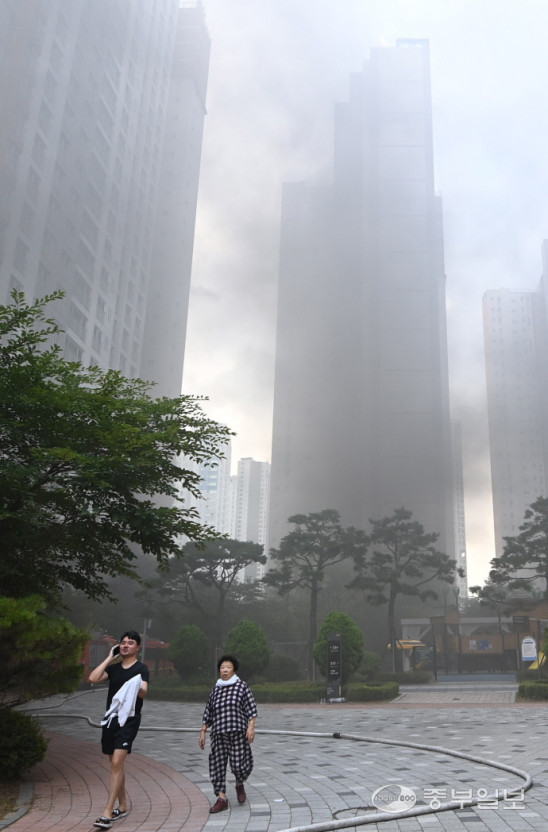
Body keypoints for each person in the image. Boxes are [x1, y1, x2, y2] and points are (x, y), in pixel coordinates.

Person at [88, 630, 149, 830]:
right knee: (116, 765)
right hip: (111, 719)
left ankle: (107, 812)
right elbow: (94, 678)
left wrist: (137, 686)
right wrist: (109, 657)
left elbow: (143, 692)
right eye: (123, 643)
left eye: (130, 643)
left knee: (116, 762)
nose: (125, 645)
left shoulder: (141, 669)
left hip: (129, 721)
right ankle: (122, 806)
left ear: (137, 647)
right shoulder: (113, 669)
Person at [199, 654, 257, 813]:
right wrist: (203, 731)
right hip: (218, 734)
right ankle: (221, 798)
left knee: (238, 765)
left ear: (234, 670)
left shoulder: (241, 686)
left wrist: (251, 727)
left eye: (228, 667)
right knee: (217, 765)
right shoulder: (215, 690)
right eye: (222, 668)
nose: (224, 670)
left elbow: (251, 709)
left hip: (238, 733)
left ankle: (239, 783)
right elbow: (208, 713)